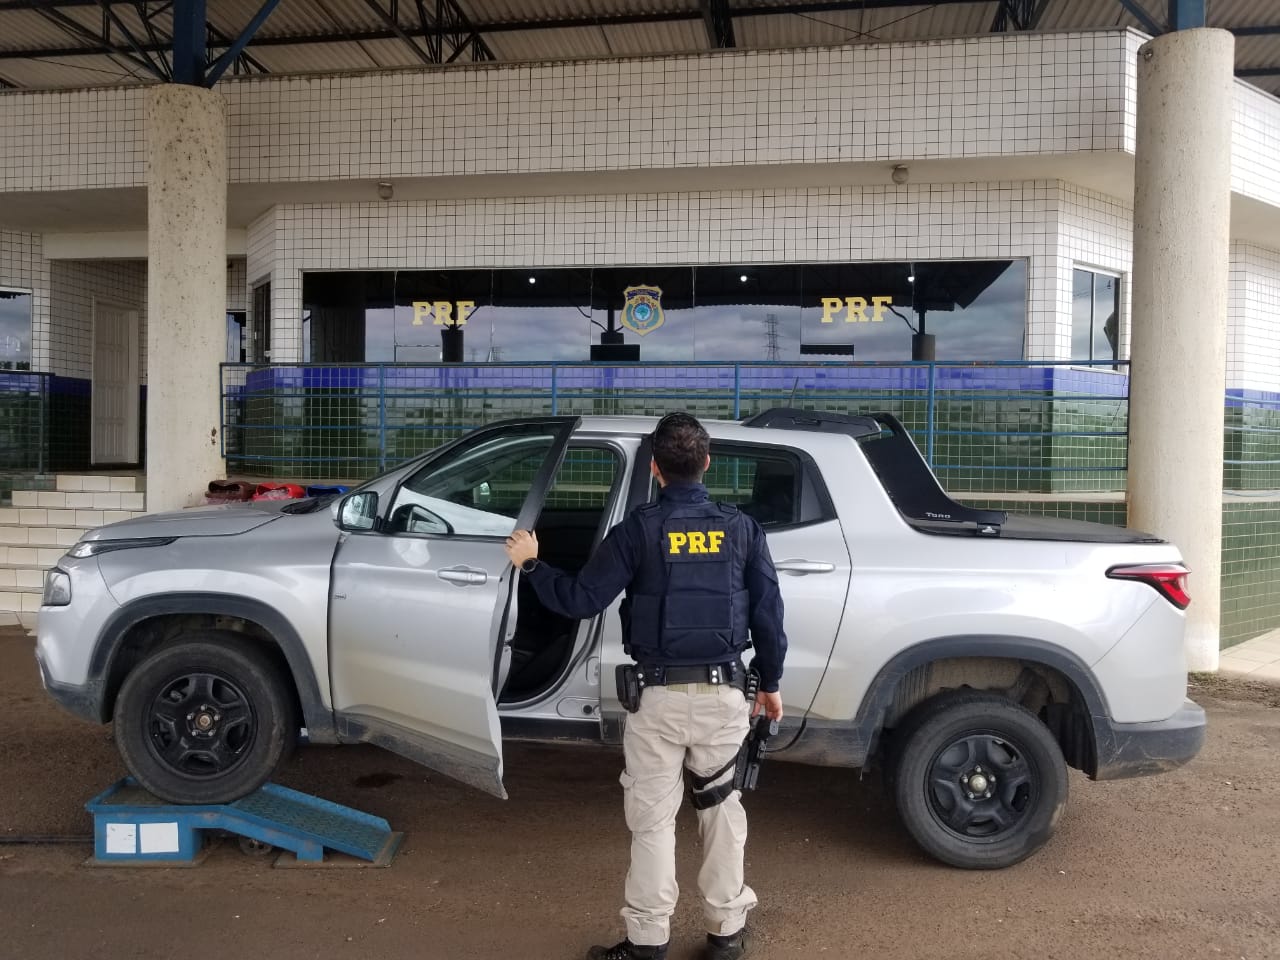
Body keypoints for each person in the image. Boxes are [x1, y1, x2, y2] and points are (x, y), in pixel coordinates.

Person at [503, 412, 787, 960]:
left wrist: (533, 564)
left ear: (655, 468)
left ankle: (647, 942)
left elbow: (582, 600)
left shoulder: (638, 529)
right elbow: (769, 614)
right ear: (706, 463)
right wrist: (769, 682)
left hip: (656, 698)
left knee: (653, 821)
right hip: (725, 695)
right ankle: (726, 935)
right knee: (722, 812)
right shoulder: (742, 528)